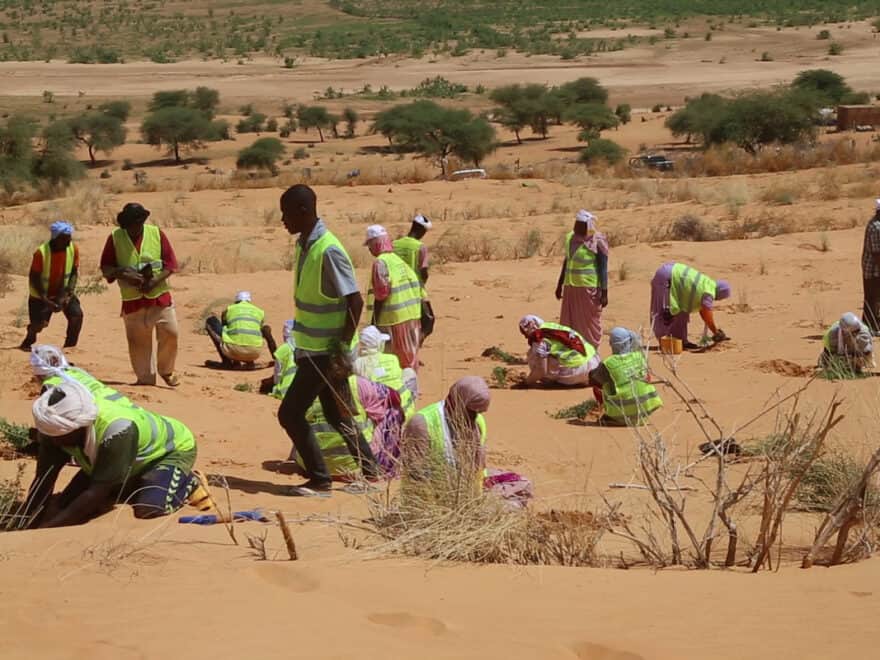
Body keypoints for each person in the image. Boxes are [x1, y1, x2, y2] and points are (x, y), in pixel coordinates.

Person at [276, 184, 379, 496]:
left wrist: (340, 349)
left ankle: (320, 480)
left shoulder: (328, 249)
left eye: (286, 213)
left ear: (304, 211)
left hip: (325, 353)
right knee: (337, 412)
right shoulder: (305, 245)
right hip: (312, 349)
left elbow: (355, 302)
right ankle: (371, 473)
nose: (283, 220)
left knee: (290, 414)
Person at [24, 380, 198, 527]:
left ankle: (189, 482)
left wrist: (46, 529)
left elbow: (96, 493)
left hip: (171, 451)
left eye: (60, 436)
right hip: (118, 456)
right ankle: (129, 479)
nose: (55, 442)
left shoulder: (117, 431)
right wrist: (25, 521)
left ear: (79, 426)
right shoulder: (53, 429)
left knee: (148, 508)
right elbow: (44, 479)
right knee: (66, 502)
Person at [100, 203, 180, 387]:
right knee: (138, 344)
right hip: (133, 302)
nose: (135, 228)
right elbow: (106, 267)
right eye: (131, 225)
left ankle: (166, 371)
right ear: (125, 225)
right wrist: (122, 272)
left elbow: (170, 265)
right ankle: (145, 381)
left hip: (159, 298)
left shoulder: (156, 233)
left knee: (171, 333)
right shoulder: (114, 238)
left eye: (138, 223)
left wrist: (154, 281)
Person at [294, 374, 405, 479]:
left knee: (301, 420)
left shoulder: (301, 383)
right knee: (393, 410)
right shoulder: (357, 383)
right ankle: (387, 466)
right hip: (353, 467)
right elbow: (394, 396)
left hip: (309, 466)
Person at [401, 376, 490, 499]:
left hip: (466, 499)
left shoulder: (478, 422)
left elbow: (479, 467)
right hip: (430, 502)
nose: (474, 416)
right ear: (455, 402)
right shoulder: (422, 423)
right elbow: (415, 473)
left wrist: (477, 499)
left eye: (479, 412)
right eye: (470, 411)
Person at [364, 224, 423, 370]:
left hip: (393, 320)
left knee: (392, 363)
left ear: (374, 244)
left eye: (369, 245)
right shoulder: (398, 261)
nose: (369, 249)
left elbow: (381, 294)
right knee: (410, 361)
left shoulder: (380, 263)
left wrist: (374, 322)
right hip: (412, 317)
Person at [20, 221, 83, 351]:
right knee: (40, 324)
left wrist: (68, 294)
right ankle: (30, 338)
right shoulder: (41, 253)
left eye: (69, 238)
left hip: (63, 291)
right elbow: (34, 278)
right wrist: (46, 300)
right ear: (56, 239)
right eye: (65, 239)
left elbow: (73, 273)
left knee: (76, 316)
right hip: (41, 295)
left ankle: (69, 348)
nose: (68, 242)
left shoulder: (73, 248)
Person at [555, 210, 609, 349]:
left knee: (589, 324)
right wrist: (559, 284)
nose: (576, 227)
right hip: (570, 288)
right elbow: (567, 262)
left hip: (588, 289)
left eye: (580, 225)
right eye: (576, 224)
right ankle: (573, 350)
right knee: (570, 322)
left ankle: (590, 352)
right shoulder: (570, 239)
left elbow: (603, 269)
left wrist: (604, 292)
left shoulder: (598, 241)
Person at [589, 327, 663, 426]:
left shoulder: (609, 363)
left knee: (600, 384)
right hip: (644, 412)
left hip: (623, 414)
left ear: (611, 344)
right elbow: (647, 378)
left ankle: (612, 414)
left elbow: (593, 379)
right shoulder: (639, 357)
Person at [650, 262, 731, 348]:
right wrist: (716, 332)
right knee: (665, 312)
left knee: (682, 312)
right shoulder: (708, 291)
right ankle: (665, 343)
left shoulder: (708, 283)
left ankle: (680, 342)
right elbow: (707, 313)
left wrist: (714, 331)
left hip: (673, 277)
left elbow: (703, 312)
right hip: (667, 277)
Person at [30, 344, 134, 407]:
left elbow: (51, 423)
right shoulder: (77, 371)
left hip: (109, 420)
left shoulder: (50, 386)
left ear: (38, 373)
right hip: (133, 409)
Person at [518, 315, 600, 387]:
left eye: (524, 333)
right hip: (595, 363)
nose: (526, 337)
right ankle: (583, 379)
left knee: (533, 356)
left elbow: (541, 370)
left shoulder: (539, 338)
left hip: (578, 370)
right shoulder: (550, 326)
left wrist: (526, 382)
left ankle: (555, 380)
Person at [353, 325, 416, 418]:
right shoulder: (392, 359)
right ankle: (411, 405)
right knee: (409, 371)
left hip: (377, 416)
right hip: (402, 412)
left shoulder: (357, 365)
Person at [205, 291, 277, 369]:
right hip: (254, 353)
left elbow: (225, 327)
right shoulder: (259, 311)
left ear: (236, 301)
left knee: (211, 321)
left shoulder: (229, 309)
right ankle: (275, 358)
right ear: (249, 301)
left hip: (232, 351)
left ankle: (227, 362)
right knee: (264, 329)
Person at [392, 214, 431, 284]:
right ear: (422, 230)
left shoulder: (394, 244)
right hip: (413, 289)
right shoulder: (420, 247)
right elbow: (424, 272)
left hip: (396, 287)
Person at [861, 199, 880, 335]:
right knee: (872, 298)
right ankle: (870, 327)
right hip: (872, 270)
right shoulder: (876, 227)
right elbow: (876, 253)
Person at [266, 320, 296, 399]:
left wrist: (275, 384)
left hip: (284, 392)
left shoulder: (283, 349)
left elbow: (277, 373)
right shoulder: (304, 349)